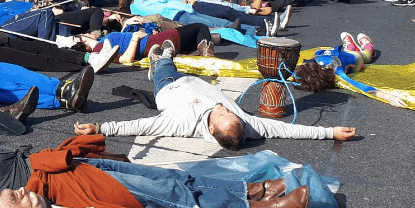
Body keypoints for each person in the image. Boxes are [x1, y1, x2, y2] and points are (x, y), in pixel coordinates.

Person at [0, 138, 311, 208]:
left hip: (70, 165)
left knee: (166, 175)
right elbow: (13, 201)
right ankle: (256, 207)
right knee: (163, 192)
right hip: (66, 182)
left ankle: (246, 188)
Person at [75, 41, 357, 150]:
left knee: (165, 64)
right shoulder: (247, 124)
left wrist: (100, 128)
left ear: (211, 129)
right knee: (167, 60)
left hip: (170, 87)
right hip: (195, 81)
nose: (226, 108)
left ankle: (160, 59)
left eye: (223, 114)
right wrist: (330, 131)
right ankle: (161, 57)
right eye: (231, 113)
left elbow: (139, 125)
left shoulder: (181, 123)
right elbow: (287, 130)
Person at [293, 32, 407, 109]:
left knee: (366, 55)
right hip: (332, 53)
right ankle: (349, 45)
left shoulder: (337, 70)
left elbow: (357, 85)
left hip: (356, 58)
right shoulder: (311, 62)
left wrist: (386, 96)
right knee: (343, 51)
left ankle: (367, 45)